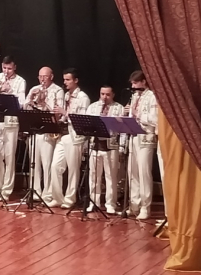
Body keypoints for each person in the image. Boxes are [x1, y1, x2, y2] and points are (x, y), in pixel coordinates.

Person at [46, 68, 90, 209]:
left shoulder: (83, 98)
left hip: (75, 136)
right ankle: (57, 198)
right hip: (63, 134)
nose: (65, 82)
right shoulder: (66, 95)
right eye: (64, 79)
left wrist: (65, 113)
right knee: (55, 166)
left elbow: (82, 120)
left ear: (76, 80)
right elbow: (64, 117)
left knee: (73, 170)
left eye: (68, 80)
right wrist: (57, 117)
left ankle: (70, 199)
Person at [0, 56, 26, 201]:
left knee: (9, 158)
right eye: (4, 68)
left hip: (11, 124)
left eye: (9, 69)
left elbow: (21, 103)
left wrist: (10, 91)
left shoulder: (20, 81)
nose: (6, 71)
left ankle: (7, 190)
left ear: (15, 68)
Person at [24, 67, 64, 200]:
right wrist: (31, 98)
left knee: (47, 164)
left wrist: (44, 102)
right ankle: (35, 191)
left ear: (51, 77)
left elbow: (58, 113)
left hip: (48, 131)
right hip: (35, 130)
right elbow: (25, 108)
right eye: (40, 76)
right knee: (34, 163)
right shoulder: (34, 89)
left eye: (45, 77)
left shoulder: (58, 90)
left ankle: (47, 193)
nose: (42, 80)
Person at [124, 70, 158, 220]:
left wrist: (138, 115)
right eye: (132, 83)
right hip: (134, 136)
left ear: (144, 82)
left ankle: (145, 206)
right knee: (133, 172)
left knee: (144, 172)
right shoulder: (135, 96)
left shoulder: (152, 96)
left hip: (146, 137)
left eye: (135, 83)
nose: (133, 86)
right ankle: (134, 204)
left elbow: (155, 119)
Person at [86, 86, 123, 214]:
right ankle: (93, 202)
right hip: (95, 145)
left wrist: (122, 146)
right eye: (102, 94)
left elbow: (122, 129)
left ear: (113, 95)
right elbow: (87, 124)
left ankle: (110, 204)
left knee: (111, 177)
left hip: (111, 146)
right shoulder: (93, 107)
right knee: (93, 176)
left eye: (107, 94)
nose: (104, 97)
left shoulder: (119, 108)